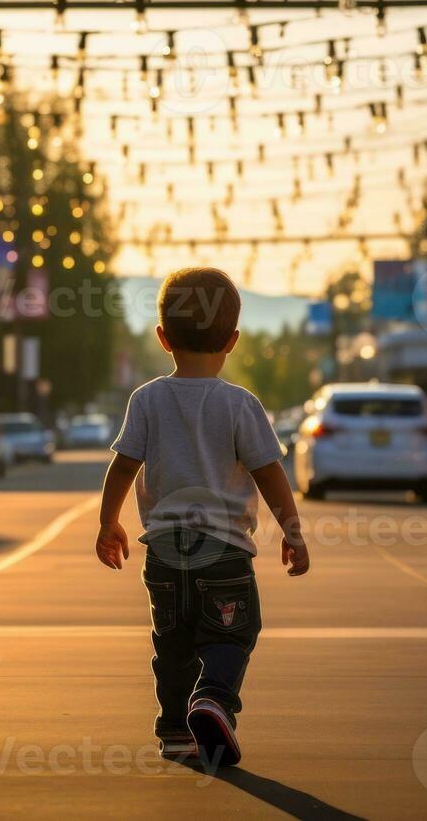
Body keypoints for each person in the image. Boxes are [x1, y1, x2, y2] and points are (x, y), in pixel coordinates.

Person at [95, 266, 309, 769]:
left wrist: (109, 522)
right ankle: (213, 698)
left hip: (165, 549)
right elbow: (270, 474)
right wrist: (293, 532)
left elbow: (123, 466)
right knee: (233, 631)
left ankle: (173, 731)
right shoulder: (240, 404)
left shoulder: (146, 398)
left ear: (163, 338)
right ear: (232, 341)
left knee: (172, 642)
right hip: (226, 551)